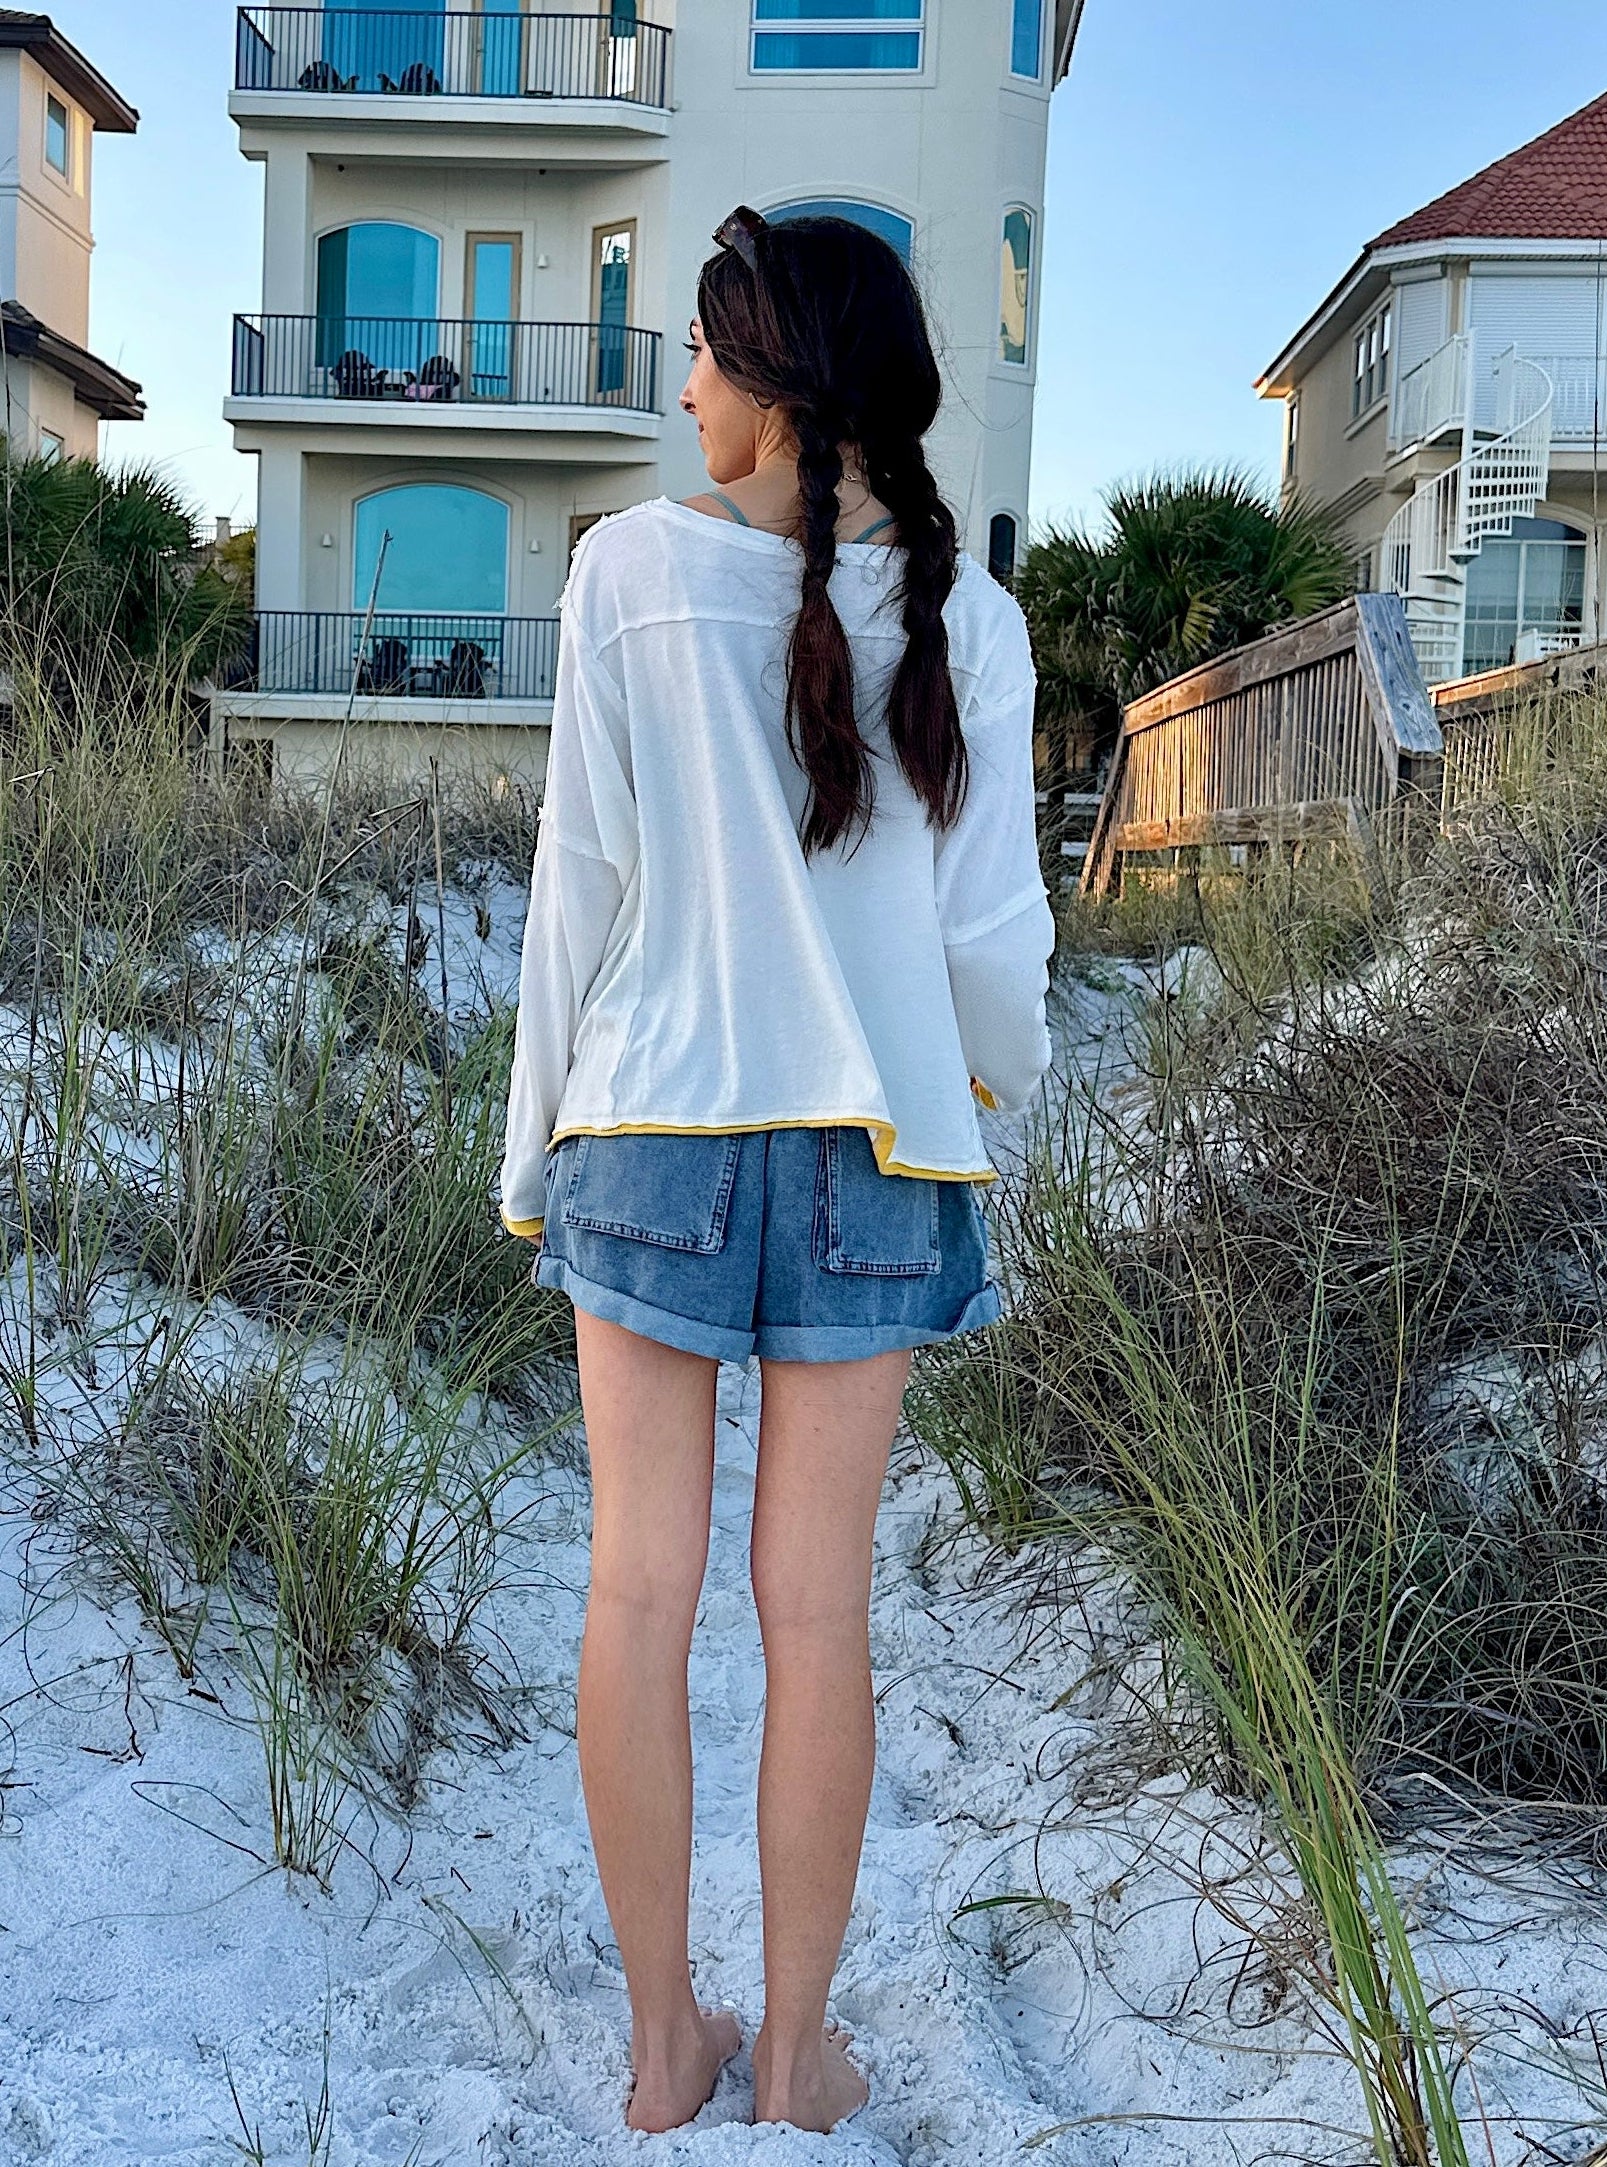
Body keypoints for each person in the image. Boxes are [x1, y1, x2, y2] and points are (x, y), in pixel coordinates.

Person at [498, 204, 1054, 2136]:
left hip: (646, 1125)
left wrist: (530, 1141)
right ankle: (796, 2063)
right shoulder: (972, 617)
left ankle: (666, 2053)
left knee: (634, 1595)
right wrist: (989, 1083)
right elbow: (994, 950)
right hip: (878, 1147)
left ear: (774, 386)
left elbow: (581, 883)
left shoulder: (624, 573)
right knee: (815, 1614)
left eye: (706, 352)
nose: (685, 385)